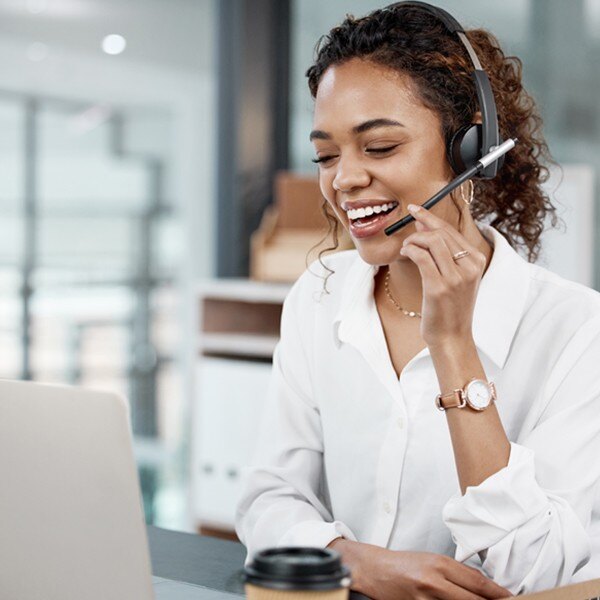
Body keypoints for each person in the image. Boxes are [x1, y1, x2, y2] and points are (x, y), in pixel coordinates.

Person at [235, 2, 600, 598]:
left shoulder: (578, 330)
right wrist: (354, 561)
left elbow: (538, 573)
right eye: (326, 155)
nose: (343, 179)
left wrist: (454, 347)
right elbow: (269, 497)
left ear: (469, 149)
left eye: (378, 148)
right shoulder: (319, 296)